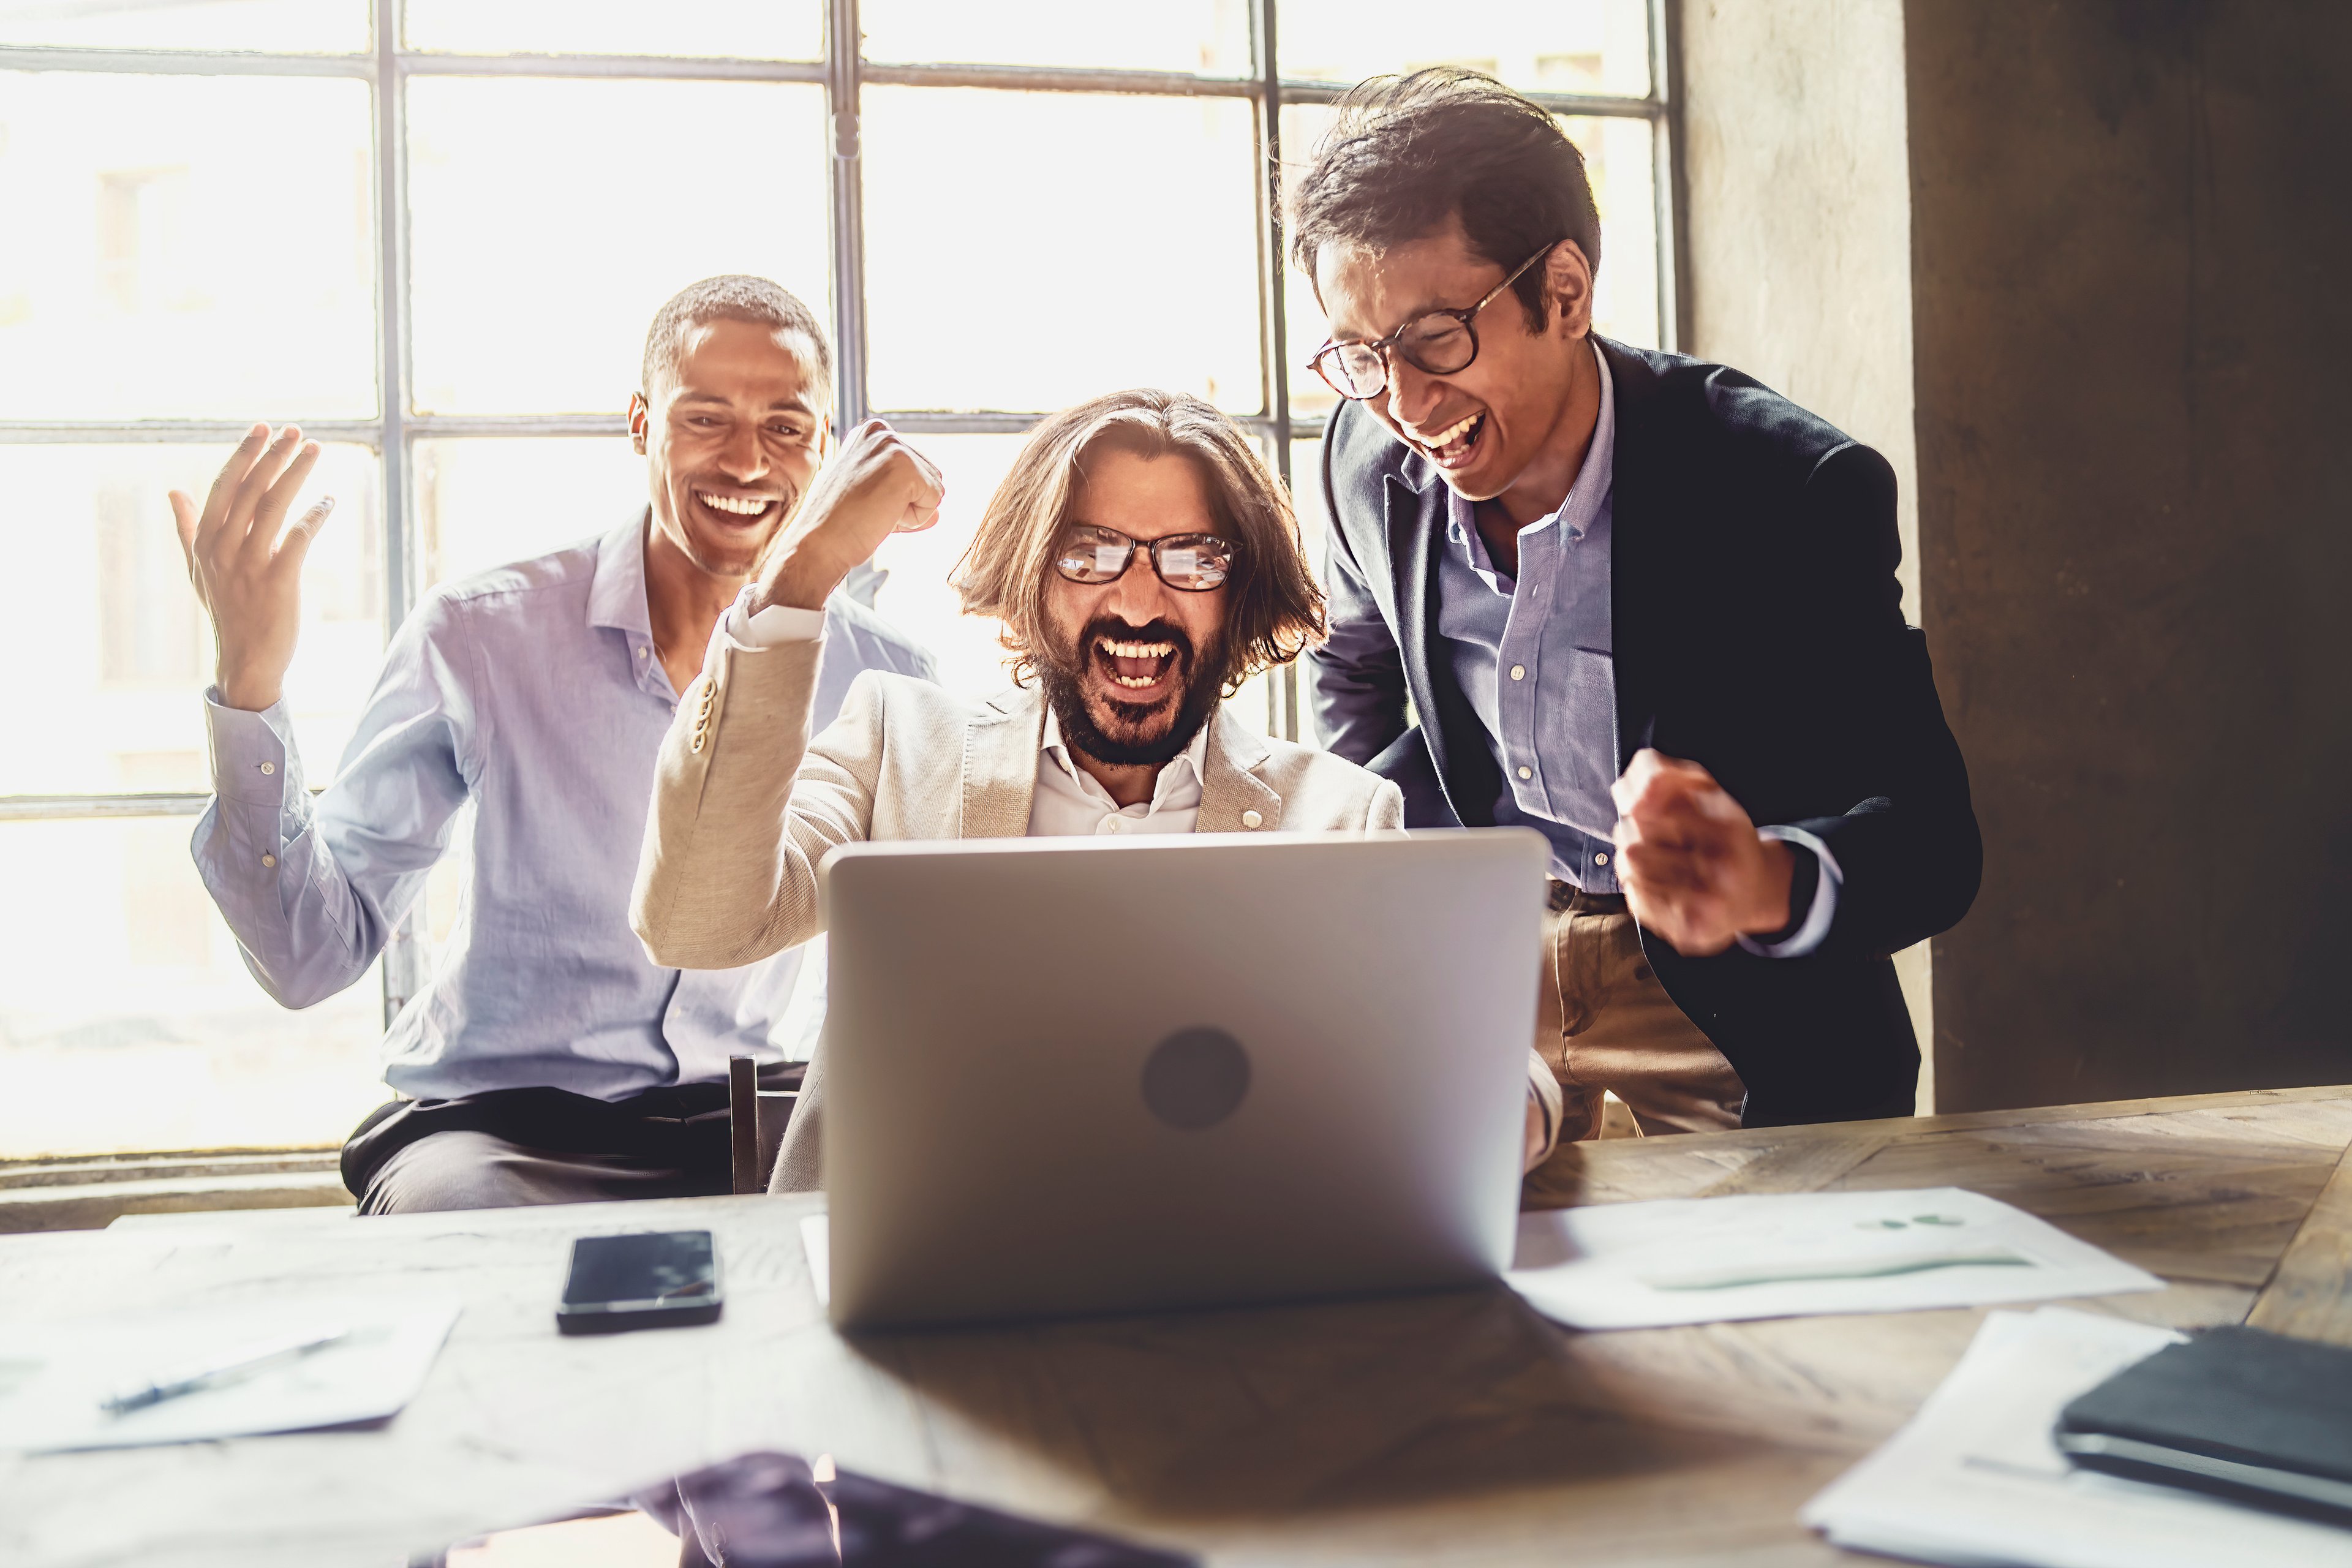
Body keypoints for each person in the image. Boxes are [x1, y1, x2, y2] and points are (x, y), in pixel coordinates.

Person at [1289, 70, 1981, 1180]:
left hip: (1727, 1003)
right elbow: (1359, 674)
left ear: (1564, 291)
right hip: (1482, 967)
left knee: (1769, 1330)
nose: (1405, 406)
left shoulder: (1789, 487)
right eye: (1361, 355)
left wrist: (1765, 880)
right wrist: (1400, 884)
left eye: (1435, 341)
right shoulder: (1363, 457)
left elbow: (1935, 840)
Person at [630, 388, 1567, 1192]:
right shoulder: (895, 743)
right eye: (1090, 553)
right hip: (907, 1309)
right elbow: (697, 922)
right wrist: (800, 576)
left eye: (1195, 558)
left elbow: (1487, 1065)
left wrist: (1506, 1106)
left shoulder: (1341, 816)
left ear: (1241, 595)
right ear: (1033, 579)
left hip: (1207, 1309)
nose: (1139, 600)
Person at [176, 276, 934, 1213]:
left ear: (826, 454)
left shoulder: (884, 676)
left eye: (786, 427)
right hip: (504, 1130)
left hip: (757, 1120)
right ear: (640, 423)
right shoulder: (484, 634)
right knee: (455, 1229)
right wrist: (250, 684)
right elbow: (306, 959)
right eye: (706, 419)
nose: (747, 462)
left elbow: (935, 964)